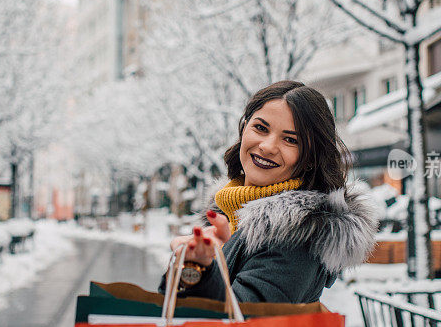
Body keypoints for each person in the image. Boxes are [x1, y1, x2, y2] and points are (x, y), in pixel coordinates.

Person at [161, 80, 378, 304]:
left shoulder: (296, 235)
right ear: (244, 128)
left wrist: (200, 268)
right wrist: (192, 264)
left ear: (311, 159)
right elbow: (180, 311)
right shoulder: (227, 215)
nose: (268, 146)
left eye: (290, 140)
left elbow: (242, 323)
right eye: (261, 128)